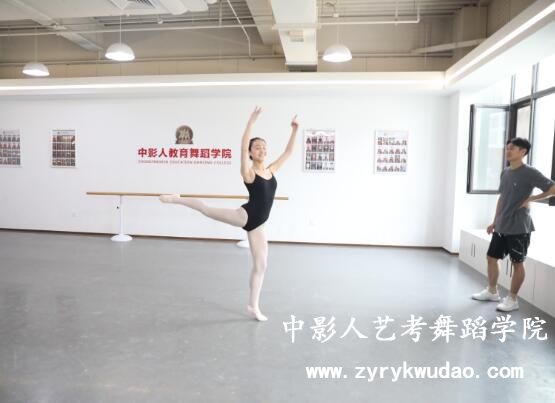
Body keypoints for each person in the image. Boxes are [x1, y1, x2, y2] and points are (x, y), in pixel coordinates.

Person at [160, 107, 299, 321]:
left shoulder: (271, 170)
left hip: (259, 226)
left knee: (261, 265)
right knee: (207, 209)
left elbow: (288, 152)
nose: (262, 150)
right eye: (257, 147)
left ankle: (253, 306)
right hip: (245, 216)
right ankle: (175, 199)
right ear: (251, 153)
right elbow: (242, 148)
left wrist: (295, 130)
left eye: (264, 147)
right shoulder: (249, 173)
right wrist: (251, 122)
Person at [471, 137, 555, 312]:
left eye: (512, 148)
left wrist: (532, 198)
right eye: (507, 148)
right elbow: (502, 198)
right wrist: (495, 221)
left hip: (519, 226)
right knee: (491, 258)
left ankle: (512, 299)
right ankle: (492, 291)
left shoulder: (530, 172)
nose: (508, 151)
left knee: (517, 262)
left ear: (523, 152)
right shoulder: (506, 172)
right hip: (502, 224)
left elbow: (552, 188)